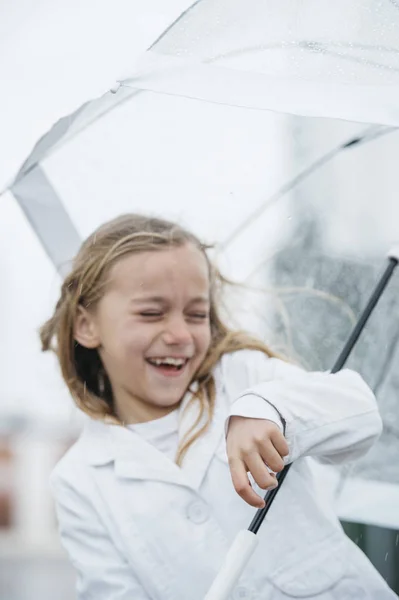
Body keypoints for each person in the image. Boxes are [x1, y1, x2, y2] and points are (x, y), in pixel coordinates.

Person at [42, 213, 397, 600]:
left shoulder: (244, 376)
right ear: (85, 325)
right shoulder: (78, 483)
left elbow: (358, 411)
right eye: (151, 313)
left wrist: (269, 408)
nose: (180, 334)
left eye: (197, 315)